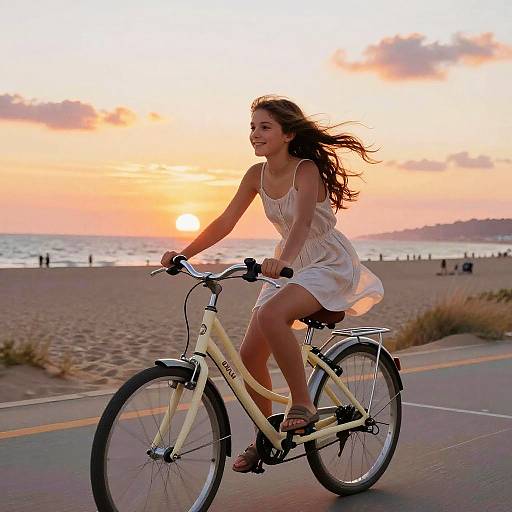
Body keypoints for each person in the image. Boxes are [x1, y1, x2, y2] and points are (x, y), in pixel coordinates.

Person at [160, 95, 384, 473]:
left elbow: (300, 223)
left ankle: (303, 403)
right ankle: (266, 437)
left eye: (264, 127)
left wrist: (282, 260)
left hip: (325, 260)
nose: (254, 134)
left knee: (270, 315)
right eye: (252, 127)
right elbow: (225, 221)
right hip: (287, 263)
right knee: (249, 357)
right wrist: (185, 253)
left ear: (287, 134)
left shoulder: (305, 170)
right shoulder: (254, 174)